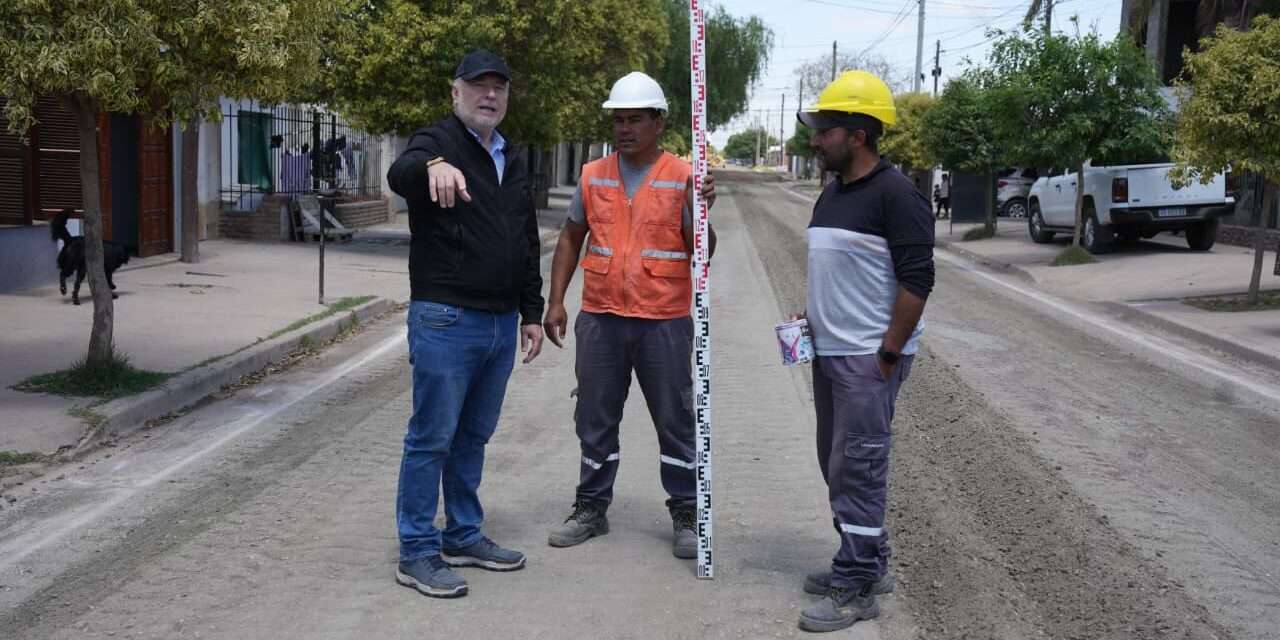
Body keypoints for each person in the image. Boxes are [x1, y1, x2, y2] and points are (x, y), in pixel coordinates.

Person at [385, 49, 545, 599]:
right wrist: (432, 166)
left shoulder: (511, 157)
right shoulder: (435, 142)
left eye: (499, 86)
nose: (490, 95)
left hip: (501, 324)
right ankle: (417, 551)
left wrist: (532, 313)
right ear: (456, 93)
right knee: (432, 437)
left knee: (473, 436)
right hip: (447, 318)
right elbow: (400, 172)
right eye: (478, 85)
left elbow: (527, 239)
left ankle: (463, 534)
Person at [541, 71, 716, 559]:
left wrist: (702, 213)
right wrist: (556, 300)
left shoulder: (685, 177)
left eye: (634, 119)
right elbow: (572, 235)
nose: (623, 128)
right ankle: (591, 507)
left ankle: (686, 512)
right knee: (594, 418)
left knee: (675, 420)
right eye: (618, 120)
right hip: (600, 316)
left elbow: (705, 253)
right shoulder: (593, 174)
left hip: (663, 320)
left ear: (658, 122)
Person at [792, 70, 935, 632]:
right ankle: (868, 562)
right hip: (831, 353)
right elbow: (839, 269)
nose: (815, 138)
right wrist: (812, 318)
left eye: (824, 129)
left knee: (860, 468)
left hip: (868, 359)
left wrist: (889, 354)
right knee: (838, 461)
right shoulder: (833, 193)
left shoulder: (899, 196)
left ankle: (856, 587)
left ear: (857, 134)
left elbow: (918, 280)